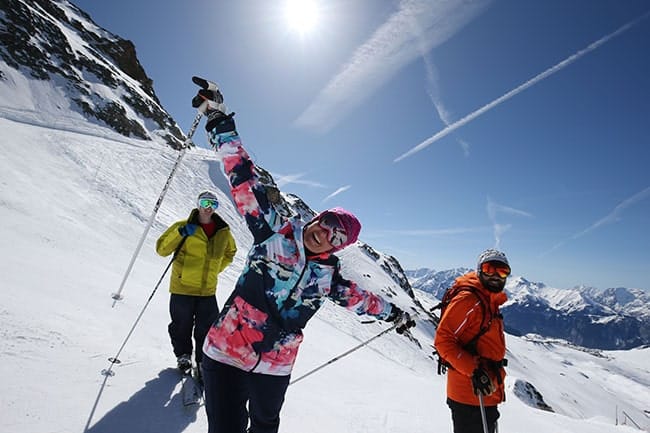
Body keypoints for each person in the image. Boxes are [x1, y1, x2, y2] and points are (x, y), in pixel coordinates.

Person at [190, 76, 414, 433]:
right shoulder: (273, 231)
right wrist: (218, 118)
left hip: (275, 366)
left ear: (339, 247)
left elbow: (366, 302)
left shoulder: (329, 280)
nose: (324, 234)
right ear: (317, 217)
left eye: (336, 236)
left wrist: (396, 315)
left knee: (265, 427)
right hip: (226, 353)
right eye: (326, 222)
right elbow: (243, 175)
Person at [156, 190, 237, 374]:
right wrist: (180, 233)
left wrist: (215, 269)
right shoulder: (183, 226)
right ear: (198, 204)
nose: (208, 208)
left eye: (213, 205)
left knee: (207, 329)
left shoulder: (223, 232)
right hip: (182, 288)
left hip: (207, 291)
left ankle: (202, 363)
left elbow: (230, 252)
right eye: (205, 203)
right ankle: (183, 356)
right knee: (181, 325)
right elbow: (162, 249)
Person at [434, 248, 510, 433]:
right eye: (489, 269)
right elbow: (443, 340)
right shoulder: (469, 299)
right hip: (470, 395)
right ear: (479, 270)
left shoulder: (488, 300)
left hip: (483, 391)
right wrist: (475, 371)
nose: (495, 275)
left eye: (502, 271)